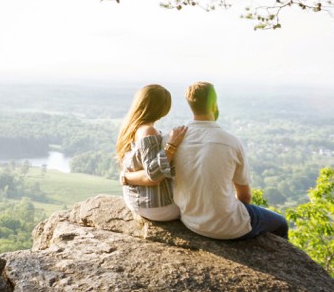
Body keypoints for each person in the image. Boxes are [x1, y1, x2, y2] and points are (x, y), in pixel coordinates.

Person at [171, 81, 289, 240]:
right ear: (214, 103)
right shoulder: (231, 142)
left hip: (191, 222)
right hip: (228, 227)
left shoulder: (174, 139)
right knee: (281, 223)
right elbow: (245, 197)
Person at [115, 83, 185, 222]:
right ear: (163, 109)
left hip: (137, 200)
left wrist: (126, 177)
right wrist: (172, 145)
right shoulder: (147, 131)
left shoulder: (131, 127)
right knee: (202, 207)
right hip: (157, 206)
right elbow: (153, 175)